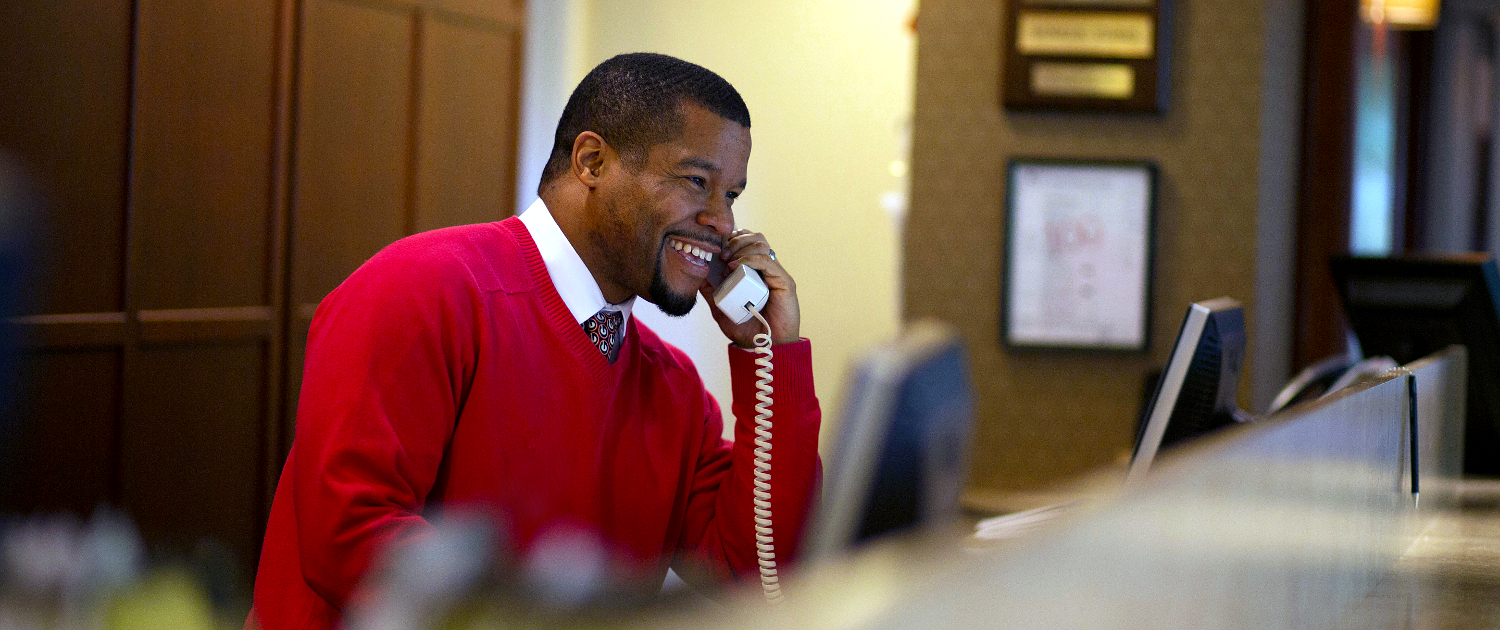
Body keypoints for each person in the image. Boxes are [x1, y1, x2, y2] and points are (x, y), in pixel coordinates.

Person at [246, 53, 823, 629]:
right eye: (697, 182)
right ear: (592, 161)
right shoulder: (422, 287)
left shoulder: (670, 387)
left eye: (732, 195)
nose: (723, 223)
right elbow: (352, 534)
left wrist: (769, 353)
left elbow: (753, 575)